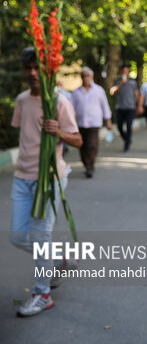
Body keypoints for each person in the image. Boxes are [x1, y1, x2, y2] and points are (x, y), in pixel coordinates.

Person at [11, 47, 82, 316]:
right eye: (27, 68)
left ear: (46, 70)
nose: (31, 73)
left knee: (40, 237)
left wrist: (59, 132)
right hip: (22, 178)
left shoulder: (58, 101)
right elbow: (25, 136)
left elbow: (78, 140)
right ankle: (60, 259)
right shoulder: (21, 100)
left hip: (50, 179)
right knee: (18, 236)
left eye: (35, 68)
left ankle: (43, 294)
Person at [71, 67, 112, 178]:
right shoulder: (76, 92)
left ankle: (90, 166)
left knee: (92, 145)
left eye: (87, 75)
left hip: (94, 123)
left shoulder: (99, 91)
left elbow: (105, 107)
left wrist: (108, 121)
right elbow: (71, 110)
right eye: (83, 76)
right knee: (83, 146)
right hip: (80, 124)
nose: (85, 78)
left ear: (92, 77)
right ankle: (86, 164)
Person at [110, 65, 139, 152]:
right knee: (119, 126)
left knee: (129, 126)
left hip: (130, 108)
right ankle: (127, 139)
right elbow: (112, 92)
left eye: (126, 71)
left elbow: (136, 94)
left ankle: (127, 145)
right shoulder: (118, 81)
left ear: (129, 72)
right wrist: (121, 83)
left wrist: (138, 106)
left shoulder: (133, 82)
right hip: (120, 108)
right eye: (123, 71)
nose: (125, 73)